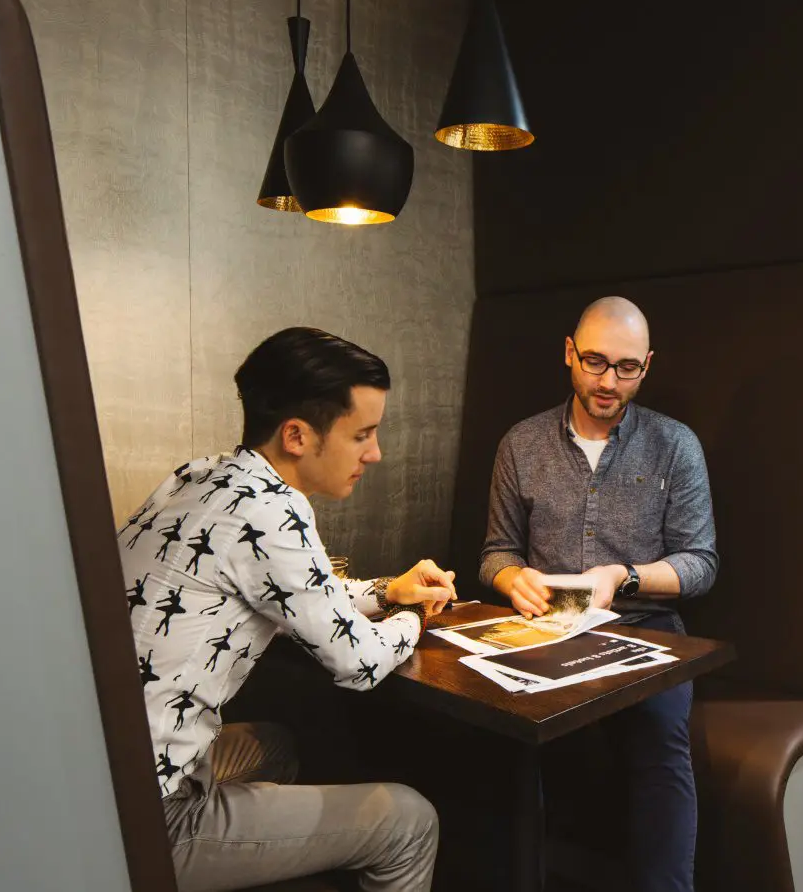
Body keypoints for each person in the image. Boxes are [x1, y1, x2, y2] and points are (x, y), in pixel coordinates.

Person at [120, 327, 456, 891]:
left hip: (105, 766)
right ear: (298, 435)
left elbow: (289, 589)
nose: (376, 454)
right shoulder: (274, 512)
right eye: (363, 435)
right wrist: (417, 619)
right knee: (409, 819)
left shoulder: (201, 477)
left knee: (276, 746)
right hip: (146, 819)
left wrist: (389, 591)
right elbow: (360, 664)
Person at [480, 296, 719, 892]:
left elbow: (701, 563)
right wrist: (514, 580)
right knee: (498, 734)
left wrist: (622, 577)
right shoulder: (521, 443)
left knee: (662, 740)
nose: (608, 381)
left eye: (627, 367)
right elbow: (495, 554)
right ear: (569, 353)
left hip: (644, 628)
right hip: (546, 628)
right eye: (594, 362)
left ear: (647, 365)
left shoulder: (675, 444)